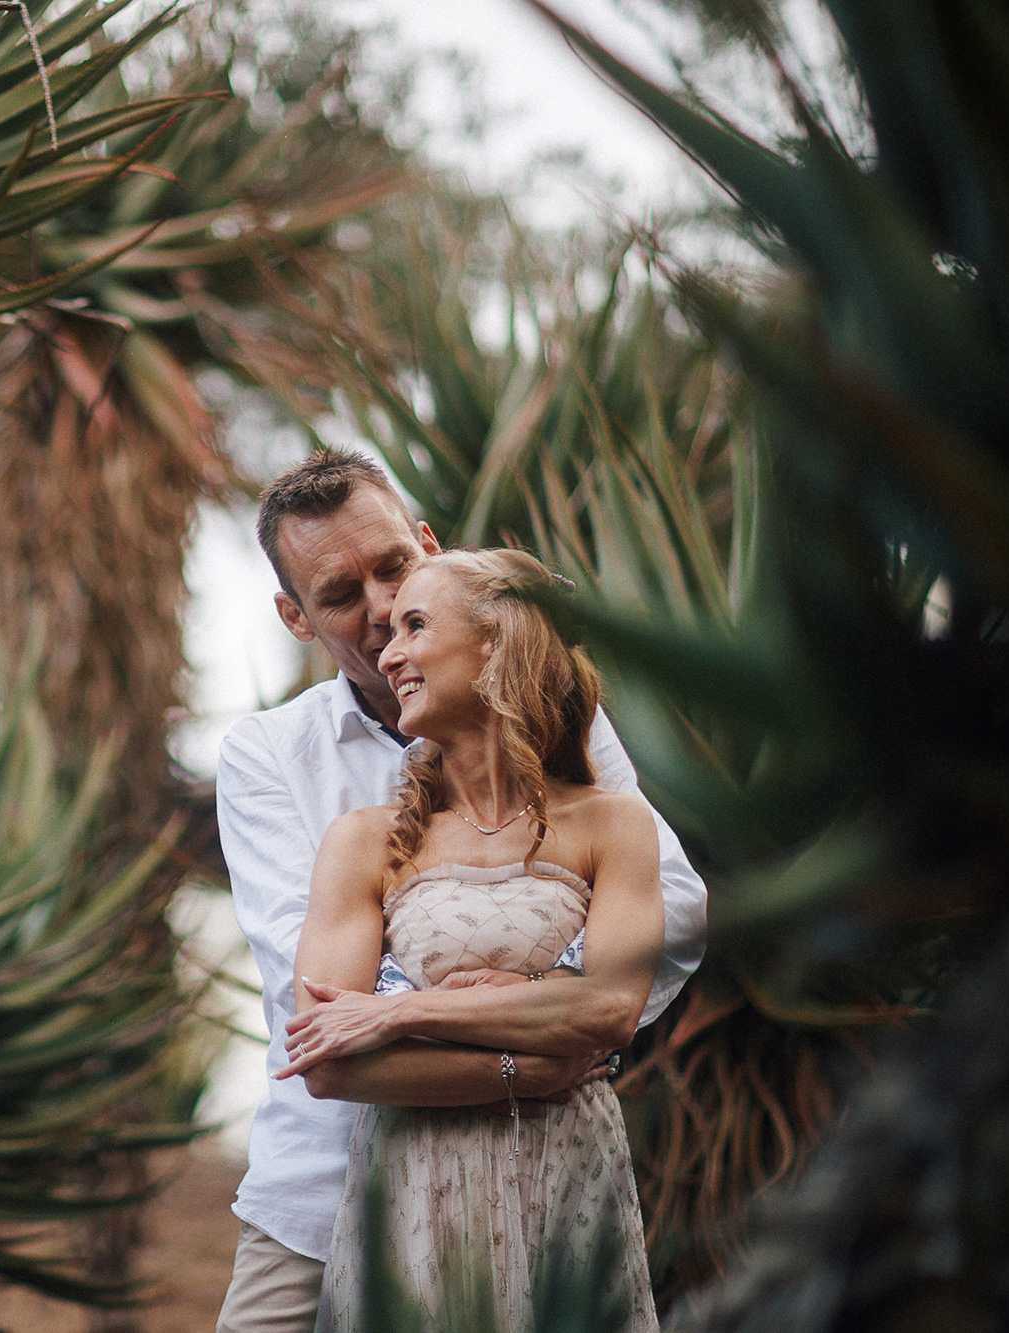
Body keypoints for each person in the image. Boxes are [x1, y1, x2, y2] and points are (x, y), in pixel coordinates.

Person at [214, 451, 705, 1333]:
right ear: (295, 617)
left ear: (429, 548)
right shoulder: (269, 758)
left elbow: (672, 907)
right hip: (324, 1189)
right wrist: (535, 1050)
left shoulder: (569, 730)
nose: (375, 612)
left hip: (542, 1175)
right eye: (337, 594)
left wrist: (521, 999)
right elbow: (320, 1002)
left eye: (394, 569)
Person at [282, 547, 661, 1331]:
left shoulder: (614, 823)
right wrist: (536, 1056)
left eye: (414, 625)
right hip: (417, 1186)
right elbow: (327, 1061)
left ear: (498, 640)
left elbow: (612, 1010)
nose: (389, 655)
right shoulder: (364, 841)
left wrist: (395, 1013)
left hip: (565, 1181)